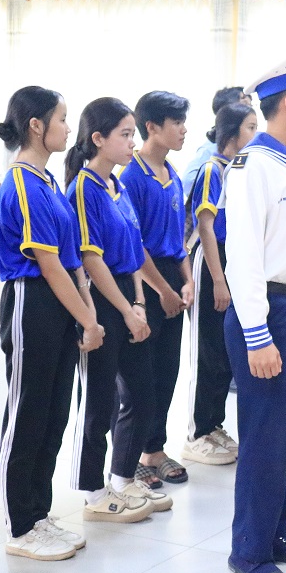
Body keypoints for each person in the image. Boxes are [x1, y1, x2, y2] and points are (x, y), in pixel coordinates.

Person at [222, 47, 286, 573]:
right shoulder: (252, 167)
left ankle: (273, 532)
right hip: (268, 313)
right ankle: (249, 551)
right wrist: (257, 335)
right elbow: (243, 256)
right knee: (264, 440)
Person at [0, 86, 104, 561]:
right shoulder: (21, 181)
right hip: (32, 301)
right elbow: (49, 264)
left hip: (59, 305)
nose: (67, 127)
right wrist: (89, 320)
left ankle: (38, 513)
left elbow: (72, 258)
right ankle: (20, 525)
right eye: (61, 119)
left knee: (53, 414)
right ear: (35, 126)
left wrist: (86, 312)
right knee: (27, 413)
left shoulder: (48, 182)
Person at [65, 98, 169, 526]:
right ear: (97, 138)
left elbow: (134, 251)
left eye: (133, 134)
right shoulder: (84, 188)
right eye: (125, 135)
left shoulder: (117, 185)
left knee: (142, 395)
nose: (132, 143)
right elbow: (91, 258)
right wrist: (126, 310)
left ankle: (123, 479)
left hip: (128, 294)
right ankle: (92, 491)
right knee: (99, 401)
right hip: (100, 298)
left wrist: (140, 304)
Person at [120, 91, 195, 489]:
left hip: (171, 278)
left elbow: (178, 239)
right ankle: (130, 457)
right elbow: (135, 245)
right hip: (145, 281)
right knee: (140, 378)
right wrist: (163, 290)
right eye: (176, 122)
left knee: (166, 372)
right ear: (152, 126)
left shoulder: (171, 173)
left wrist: (188, 280)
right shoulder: (131, 176)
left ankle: (154, 450)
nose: (184, 130)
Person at [182, 102, 257, 466]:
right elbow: (206, 227)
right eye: (250, 128)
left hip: (231, 261)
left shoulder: (238, 169)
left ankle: (214, 426)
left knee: (225, 353)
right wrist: (218, 280)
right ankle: (197, 432)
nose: (256, 134)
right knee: (208, 352)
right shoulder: (213, 169)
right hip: (212, 261)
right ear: (231, 133)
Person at [182, 86, 250, 200]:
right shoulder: (209, 150)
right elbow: (189, 181)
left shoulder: (248, 149)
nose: (249, 112)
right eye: (244, 105)